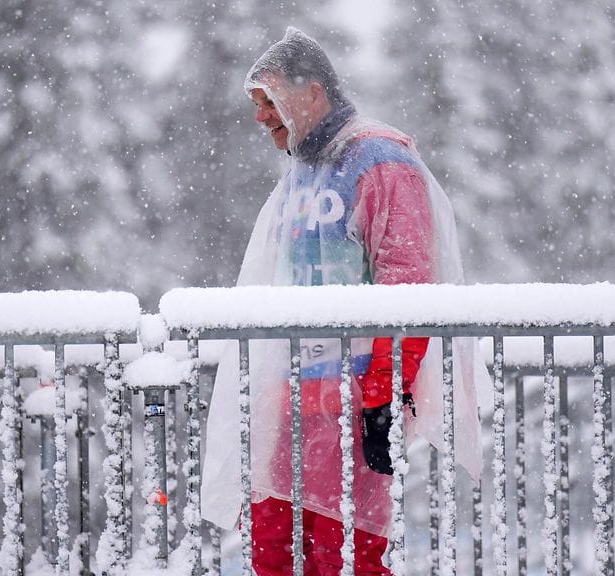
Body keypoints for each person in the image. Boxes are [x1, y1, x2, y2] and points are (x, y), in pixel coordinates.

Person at [200, 28, 484, 575]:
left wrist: (383, 395)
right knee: (271, 554)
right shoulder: (301, 170)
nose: (260, 116)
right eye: (256, 103)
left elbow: (408, 286)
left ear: (312, 93)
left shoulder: (378, 159)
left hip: (354, 404)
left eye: (269, 99)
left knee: (346, 560)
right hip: (288, 402)